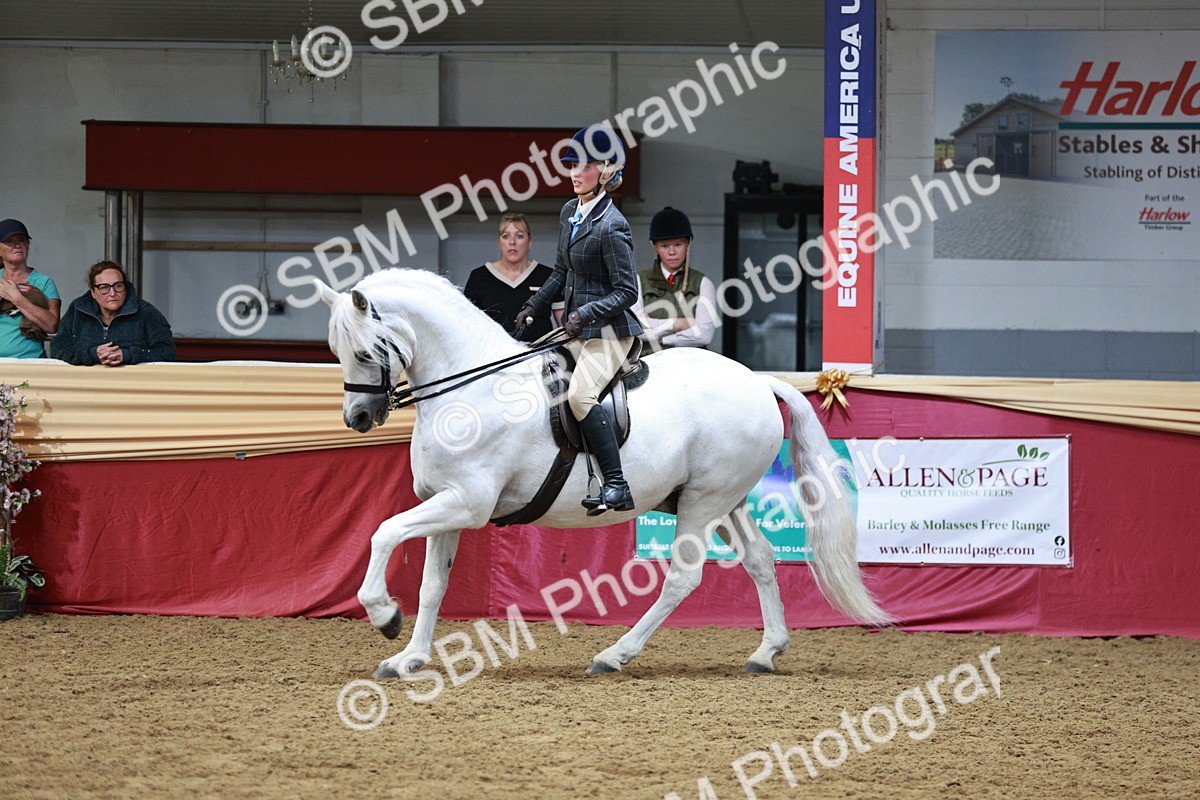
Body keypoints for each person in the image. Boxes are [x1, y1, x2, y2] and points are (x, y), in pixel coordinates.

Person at [515, 126, 642, 515]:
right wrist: (534, 305)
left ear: (605, 171)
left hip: (610, 332)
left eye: (584, 166)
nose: (574, 172)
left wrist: (584, 313)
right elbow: (560, 271)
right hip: (576, 327)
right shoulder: (570, 212)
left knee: (580, 396)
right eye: (571, 164)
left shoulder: (613, 225)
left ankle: (617, 485)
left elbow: (627, 293)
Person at [51, 260, 176, 366]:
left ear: (125, 289)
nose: (112, 293)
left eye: (118, 286)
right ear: (93, 292)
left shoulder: (146, 313)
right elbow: (57, 348)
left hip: (131, 387)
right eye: (104, 287)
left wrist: (128, 355)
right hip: (86, 386)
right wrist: (92, 354)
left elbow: (167, 352)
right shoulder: (78, 310)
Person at [463, 212, 562, 342]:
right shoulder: (479, 277)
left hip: (539, 355)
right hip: (494, 357)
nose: (512, 242)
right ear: (499, 242)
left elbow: (564, 327)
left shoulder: (549, 276)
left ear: (530, 242)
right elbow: (466, 325)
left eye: (519, 236)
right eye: (506, 236)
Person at [633, 206, 717, 349]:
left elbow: (704, 335)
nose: (672, 252)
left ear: (688, 244)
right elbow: (635, 330)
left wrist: (662, 338)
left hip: (691, 363)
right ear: (655, 247)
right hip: (651, 362)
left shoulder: (703, 283)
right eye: (664, 246)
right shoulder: (639, 281)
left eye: (678, 244)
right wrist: (677, 324)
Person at [0, 219, 60, 358]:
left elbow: (52, 325)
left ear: (28, 246)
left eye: (22, 240)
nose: (17, 245)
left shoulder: (44, 282)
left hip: (30, 362)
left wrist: (17, 298)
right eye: (10, 242)